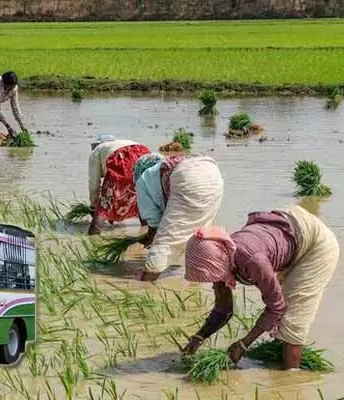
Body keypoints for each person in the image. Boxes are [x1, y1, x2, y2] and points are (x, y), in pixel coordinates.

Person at [181, 204, 339, 370]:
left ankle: (292, 379)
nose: (214, 282)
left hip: (316, 244)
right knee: (282, 318)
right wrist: (199, 336)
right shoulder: (220, 256)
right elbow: (224, 308)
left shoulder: (253, 261)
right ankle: (278, 360)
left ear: (218, 261)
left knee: (293, 319)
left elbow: (277, 307)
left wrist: (244, 344)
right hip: (290, 227)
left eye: (213, 276)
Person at [133, 153, 224, 281]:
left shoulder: (143, 179)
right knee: (199, 233)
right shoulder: (162, 168)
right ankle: (198, 280)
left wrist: (150, 237)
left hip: (188, 176)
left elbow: (154, 222)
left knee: (163, 243)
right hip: (213, 173)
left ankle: (145, 286)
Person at [87, 134, 151, 235]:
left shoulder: (97, 150)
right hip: (144, 155)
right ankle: (147, 233)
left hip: (122, 158)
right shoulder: (125, 142)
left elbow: (94, 182)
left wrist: (94, 205)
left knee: (104, 206)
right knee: (140, 199)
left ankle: (92, 237)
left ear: (97, 144)